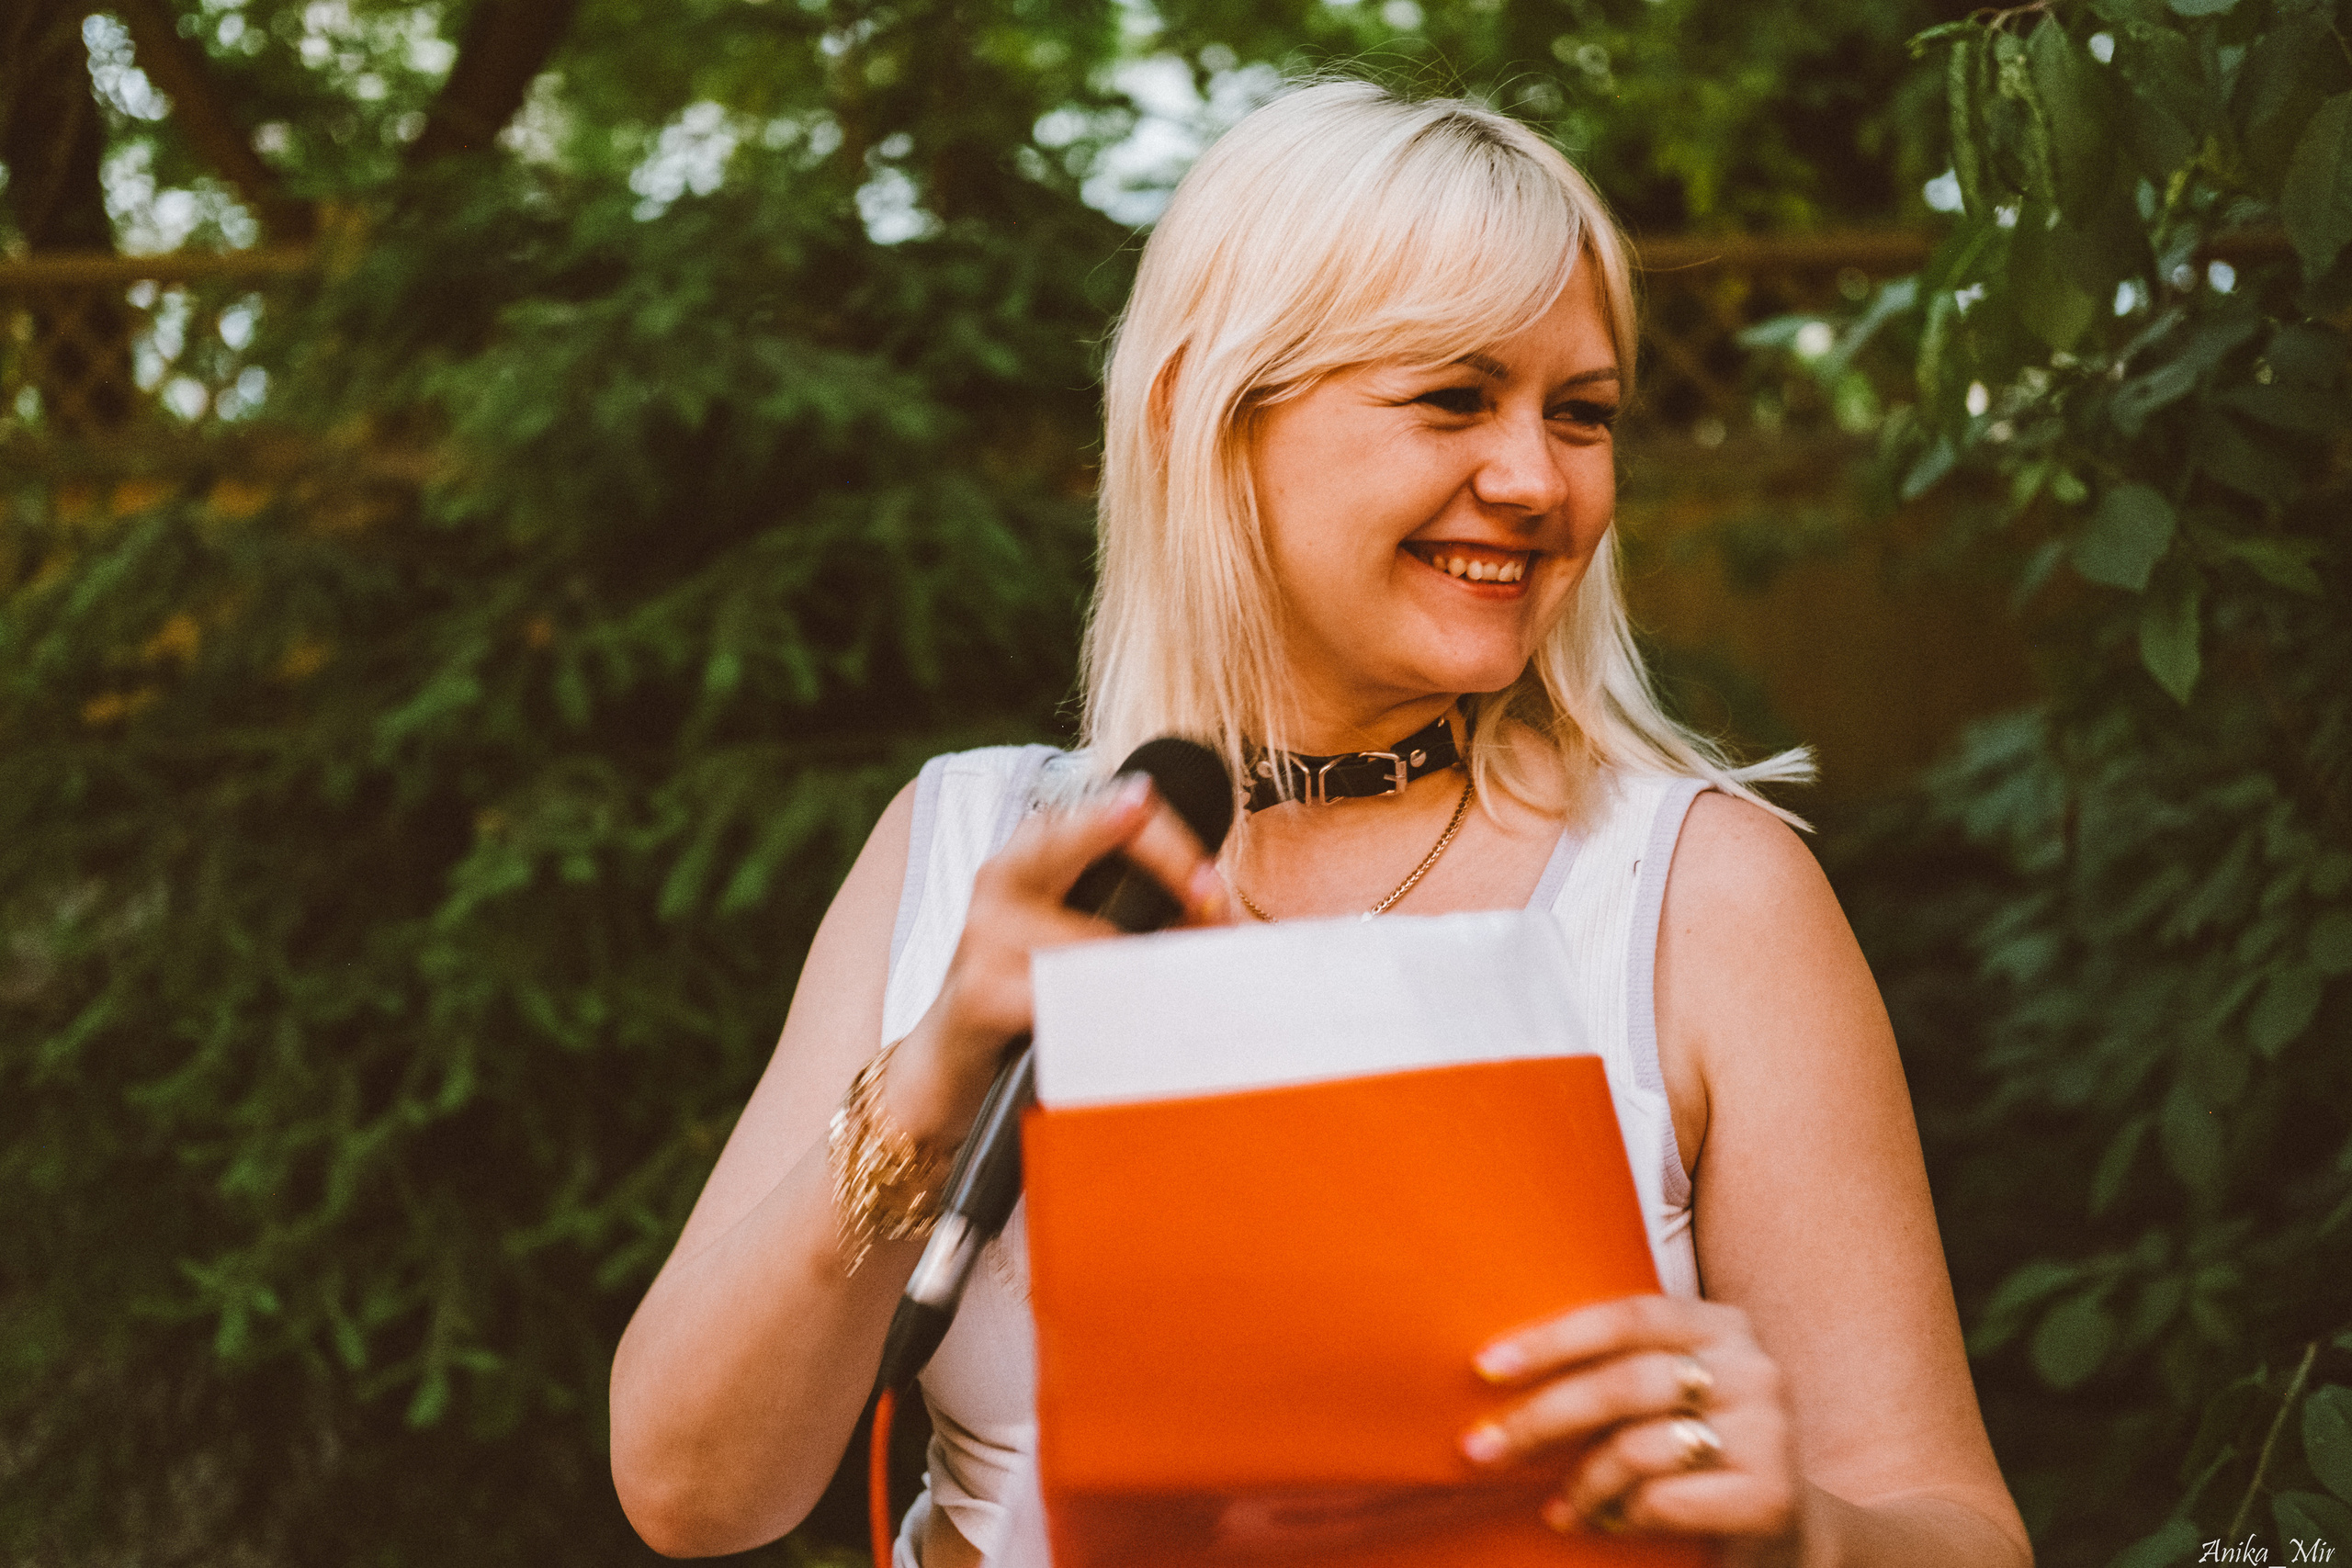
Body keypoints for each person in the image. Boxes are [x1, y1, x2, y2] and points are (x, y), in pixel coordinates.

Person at [609, 79, 2032, 1568]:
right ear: (1207, 417)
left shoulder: (1701, 892)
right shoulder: (968, 846)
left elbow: (1959, 1531)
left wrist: (1798, 1532)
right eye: (1453, 398)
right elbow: (692, 1494)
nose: (1537, 479)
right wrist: (930, 1081)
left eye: (1585, 416)